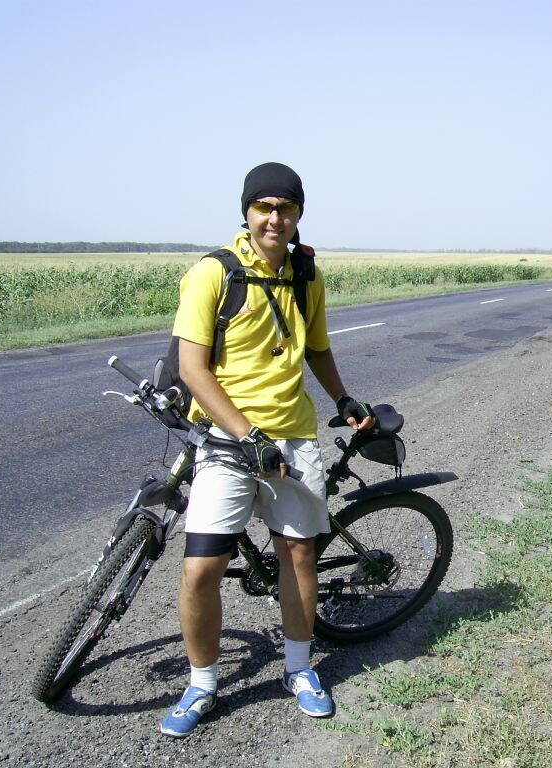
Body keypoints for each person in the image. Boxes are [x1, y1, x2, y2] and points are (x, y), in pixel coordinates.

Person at [160, 162, 375, 737]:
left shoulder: (306, 275)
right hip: (228, 441)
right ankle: (202, 683)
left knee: (299, 556)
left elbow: (318, 348)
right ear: (247, 212)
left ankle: (299, 668)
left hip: (293, 434)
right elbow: (192, 368)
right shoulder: (213, 274)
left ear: (299, 214)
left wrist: (342, 397)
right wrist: (246, 435)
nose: (275, 219)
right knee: (202, 568)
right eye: (264, 207)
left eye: (286, 208)